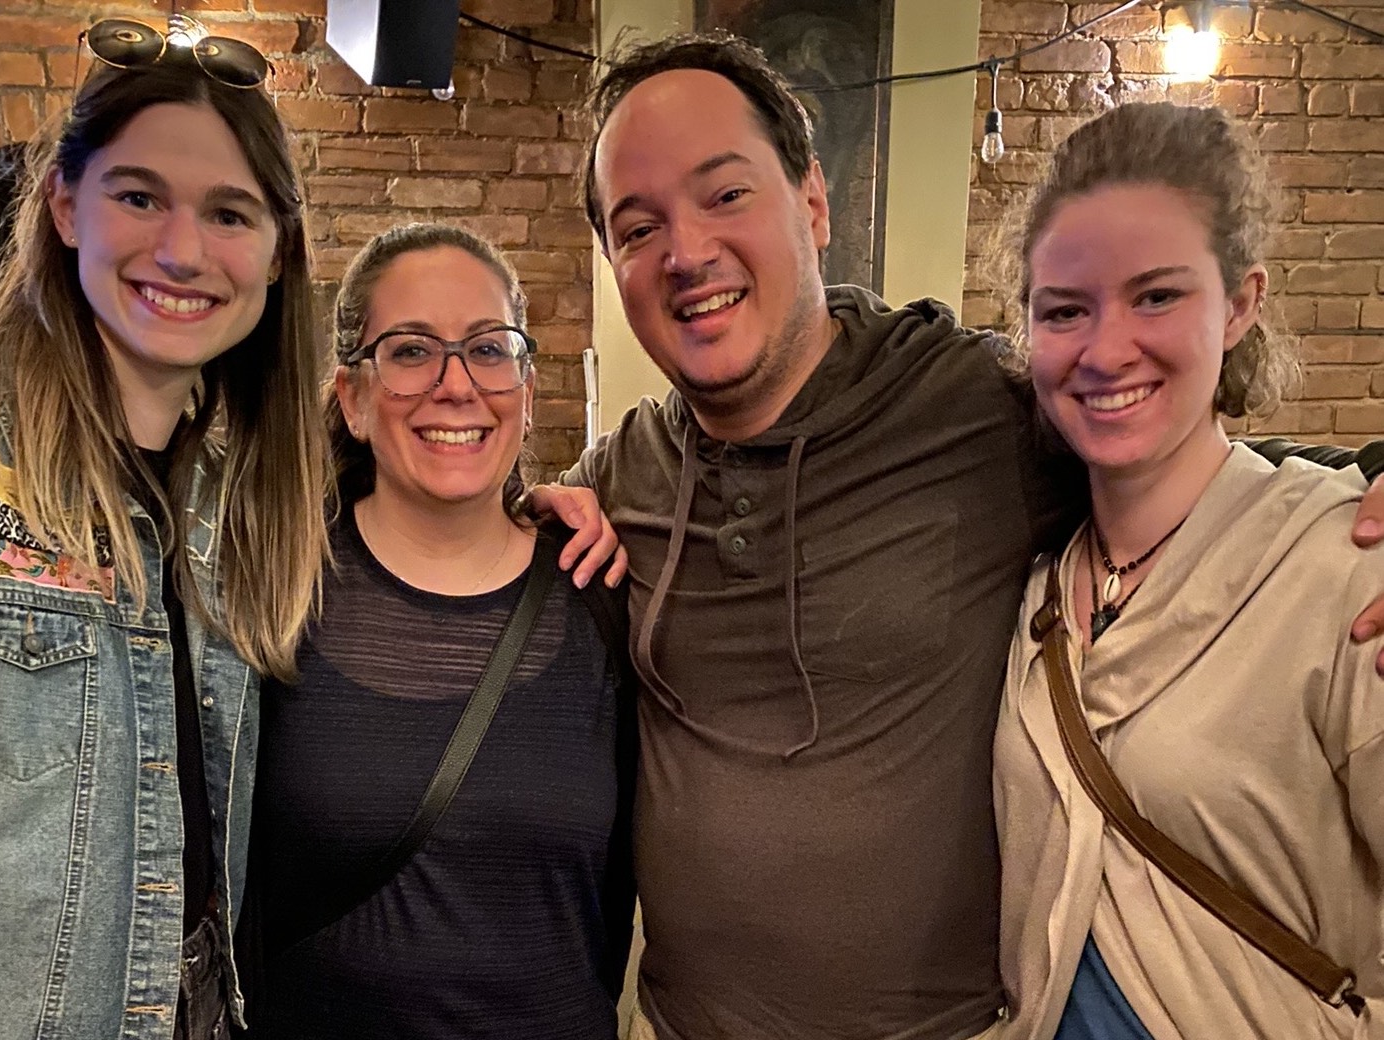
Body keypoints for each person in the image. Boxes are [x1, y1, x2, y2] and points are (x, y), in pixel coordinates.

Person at [530, 30, 1384, 1040]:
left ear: (812, 199)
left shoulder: (972, 406)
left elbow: (1172, 442)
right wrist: (520, 512)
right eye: (638, 226)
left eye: (725, 194)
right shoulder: (618, 476)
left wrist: (1367, 474)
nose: (685, 251)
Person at [0, 32, 328, 1040]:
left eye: (229, 212)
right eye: (139, 195)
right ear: (67, 207)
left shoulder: (245, 501)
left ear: (278, 251)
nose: (182, 250)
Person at [991, 102, 1382, 1038]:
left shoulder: (1343, 573)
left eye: (1156, 296)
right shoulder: (1040, 588)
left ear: (1240, 304)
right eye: (1064, 310)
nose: (1105, 348)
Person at [243, 223, 637, 1040]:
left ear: (526, 391)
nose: (456, 384)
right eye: (412, 351)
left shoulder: (599, 595)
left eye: (489, 350)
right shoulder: (271, 593)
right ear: (352, 396)